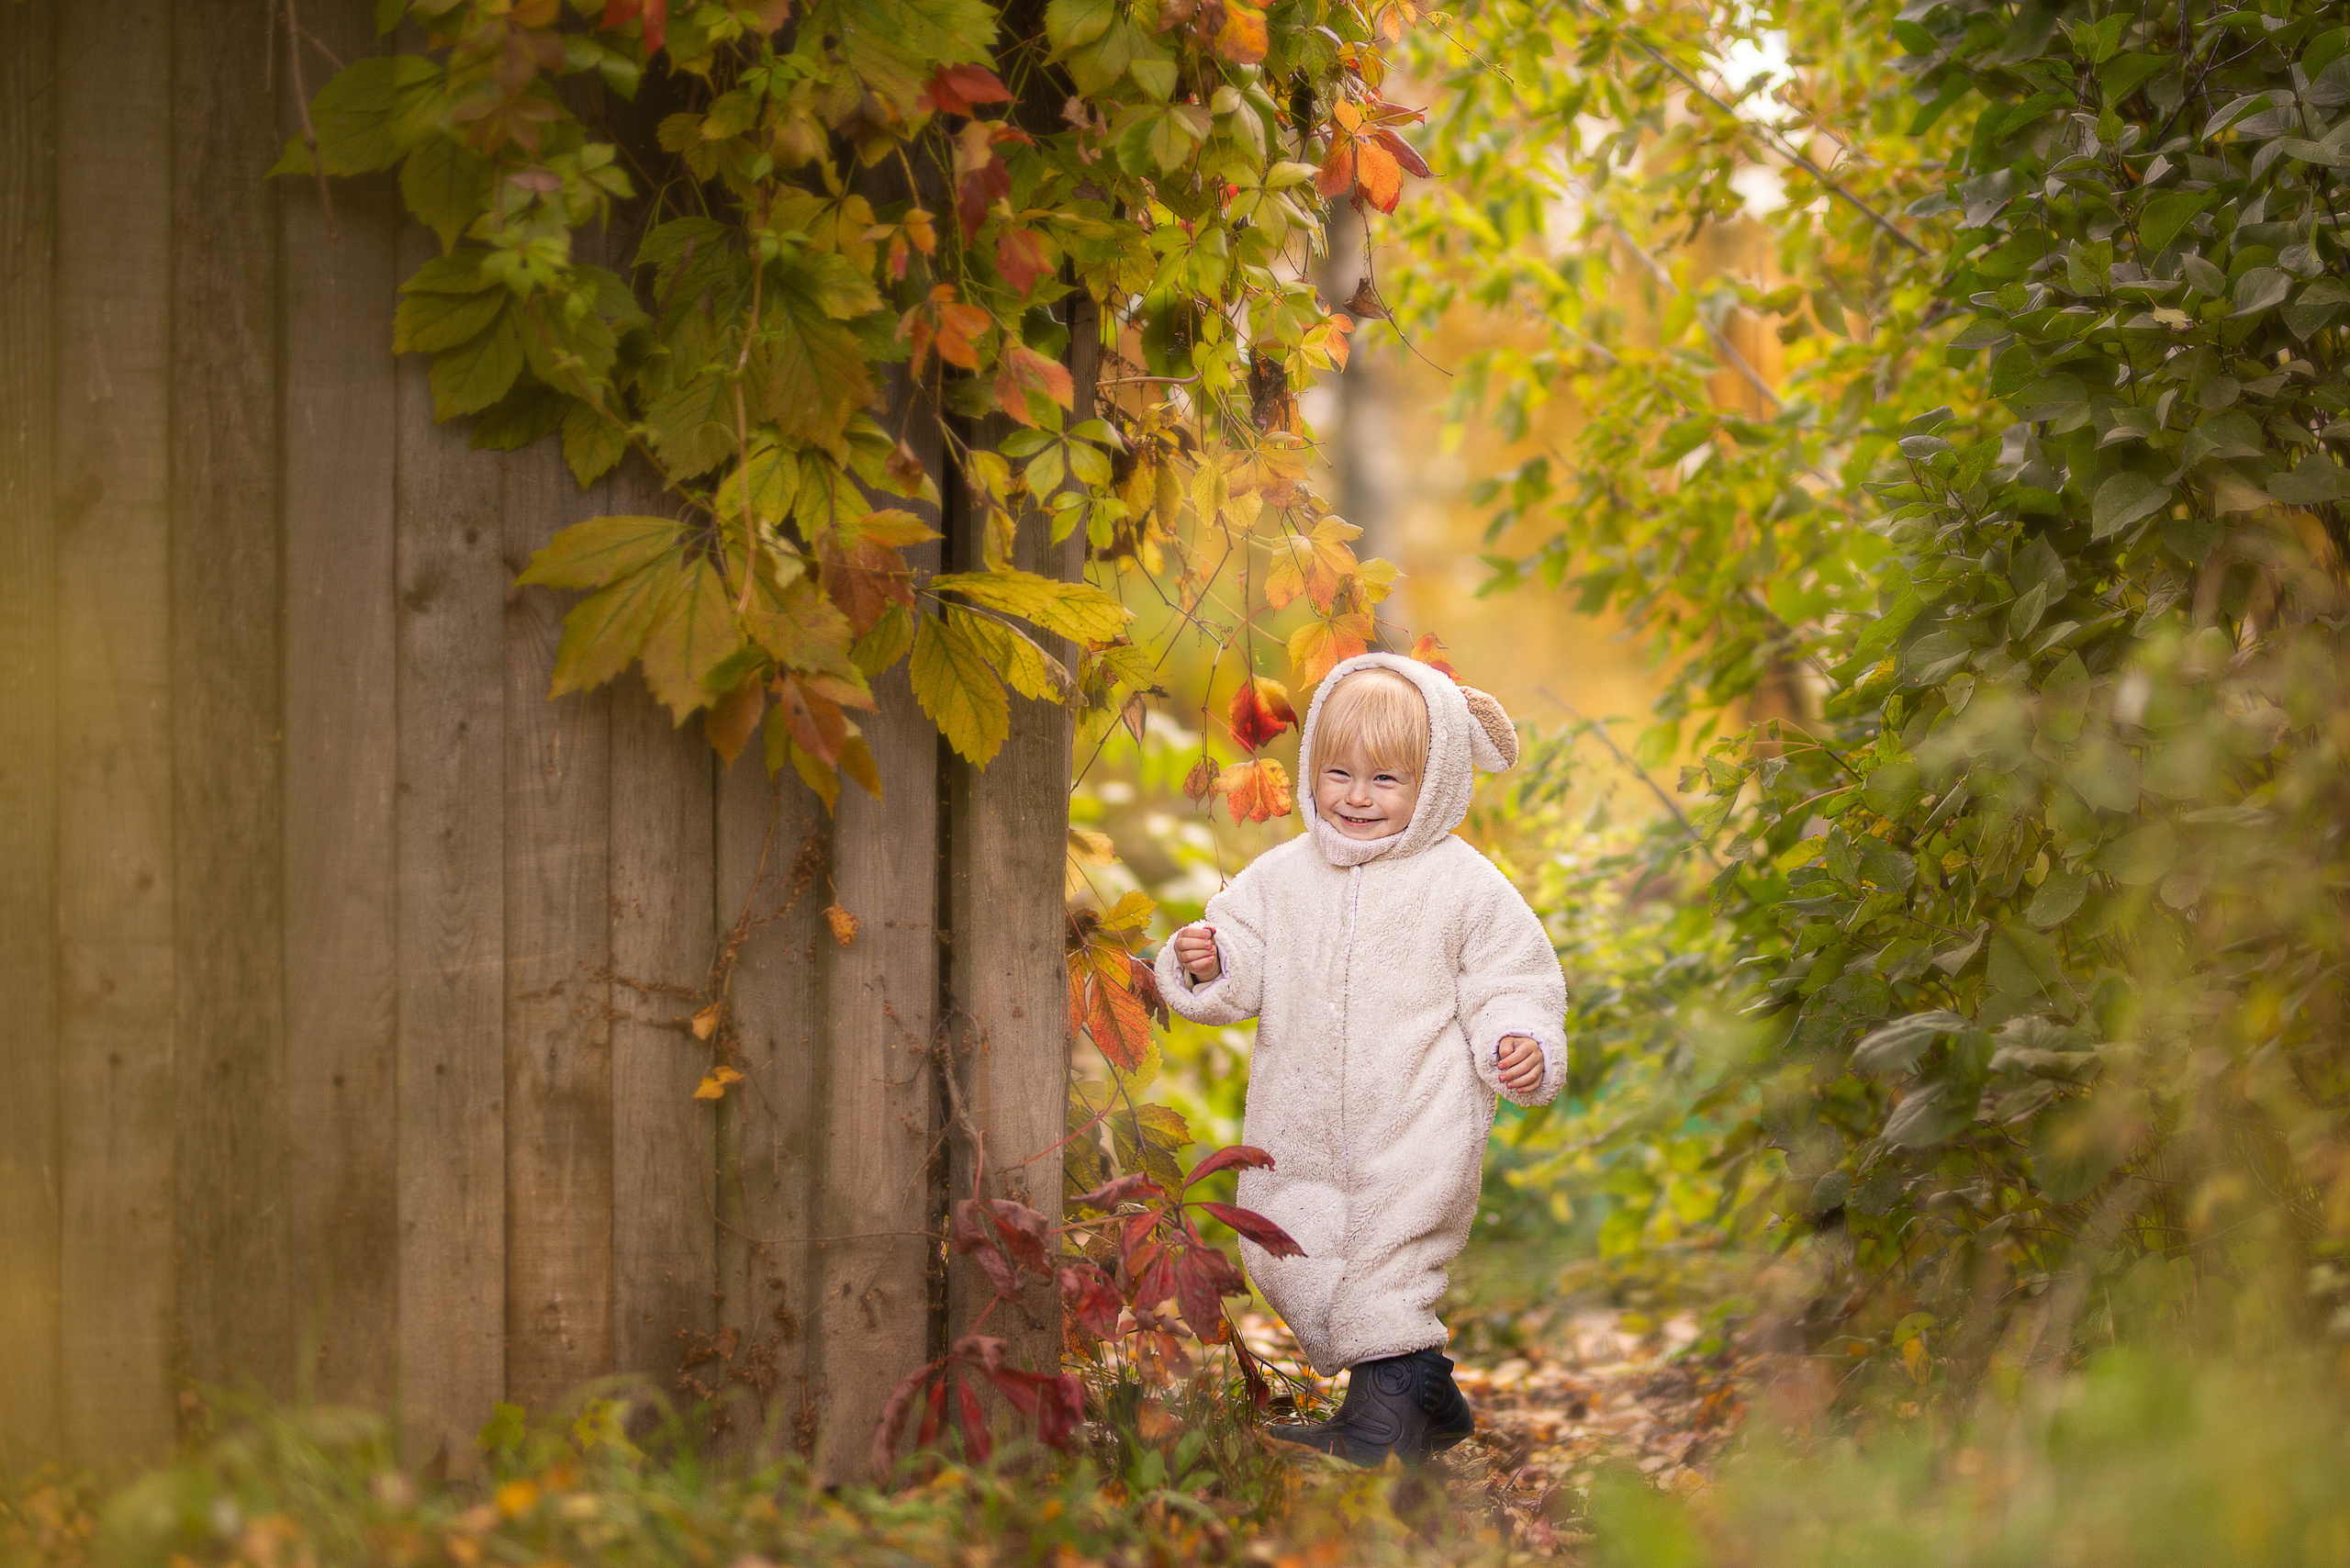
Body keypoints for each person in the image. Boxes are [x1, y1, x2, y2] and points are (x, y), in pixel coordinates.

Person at [1156, 652, 1567, 1467]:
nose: (1356, 796)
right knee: (1291, 1251)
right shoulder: (1282, 877)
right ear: (1312, 767)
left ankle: (1385, 1419)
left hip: (1419, 1116)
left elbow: (1511, 978)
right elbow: (1240, 955)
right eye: (1338, 772)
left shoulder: (1464, 886)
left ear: (1437, 781)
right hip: (1298, 1119)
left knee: (1391, 1256)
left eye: (1386, 779)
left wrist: (1518, 1039)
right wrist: (1208, 960)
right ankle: (1422, 1391)